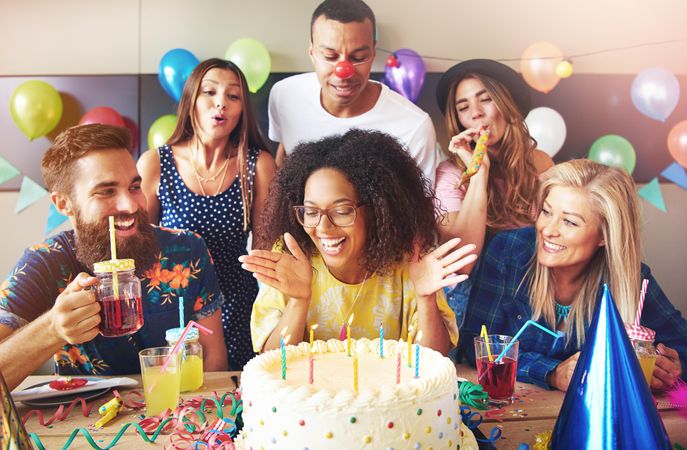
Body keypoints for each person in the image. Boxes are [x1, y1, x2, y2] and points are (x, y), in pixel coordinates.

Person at [0, 124, 227, 391]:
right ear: (64, 204)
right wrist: (52, 329)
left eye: (134, 187)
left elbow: (214, 358)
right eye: (106, 191)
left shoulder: (187, 249)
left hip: (176, 418)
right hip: (80, 425)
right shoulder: (45, 263)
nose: (130, 206)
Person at [242, 129, 477, 355]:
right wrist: (298, 301)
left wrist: (426, 299)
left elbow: (433, 359)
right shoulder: (291, 257)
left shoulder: (411, 261)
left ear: (377, 210)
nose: (323, 227)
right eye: (311, 212)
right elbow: (270, 359)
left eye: (342, 211)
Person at [459, 159, 687, 392]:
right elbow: (474, 346)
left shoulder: (630, 279)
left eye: (569, 222)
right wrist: (551, 373)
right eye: (547, 212)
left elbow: (682, 346)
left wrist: (673, 368)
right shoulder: (508, 251)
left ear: (604, 235)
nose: (548, 230)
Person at [138, 58, 276, 370]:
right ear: (191, 101)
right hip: (175, 306)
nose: (221, 104)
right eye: (209, 93)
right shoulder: (155, 163)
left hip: (237, 302)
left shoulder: (257, 164)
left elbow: (266, 250)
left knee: (233, 404)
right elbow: (139, 245)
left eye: (233, 96)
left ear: (242, 109)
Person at [433, 59, 554, 326]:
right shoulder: (450, 175)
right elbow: (461, 265)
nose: (475, 113)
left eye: (485, 99)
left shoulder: (542, 164)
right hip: (472, 304)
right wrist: (479, 172)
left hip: (533, 294)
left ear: (507, 103)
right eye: (463, 107)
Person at [268, 0, 441, 185]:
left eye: (358, 57)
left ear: (373, 52)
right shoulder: (284, 95)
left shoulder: (414, 127)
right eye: (330, 56)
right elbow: (284, 154)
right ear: (311, 52)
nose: (343, 71)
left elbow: (420, 207)